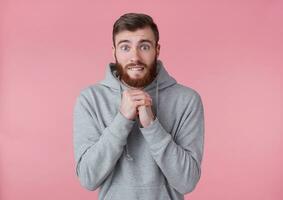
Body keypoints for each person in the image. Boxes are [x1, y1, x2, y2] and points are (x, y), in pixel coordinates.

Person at [73, 13, 205, 200]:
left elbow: (187, 182)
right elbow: (88, 179)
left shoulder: (187, 100)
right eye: (125, 47)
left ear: (157, 50)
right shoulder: (91, 99)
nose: (135, 56)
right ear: (114, 53)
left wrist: (152, 126)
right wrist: (122, 120)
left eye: (144, 46)